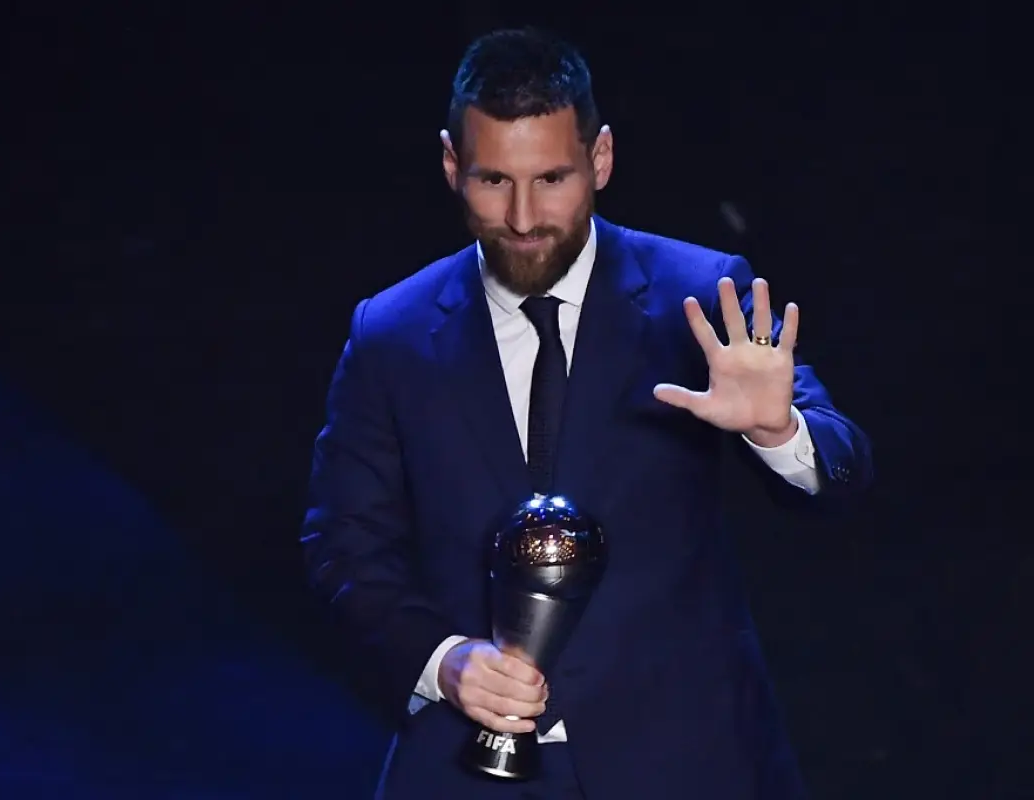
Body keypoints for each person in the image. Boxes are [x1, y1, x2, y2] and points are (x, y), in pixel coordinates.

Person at [300, 27, 872, 800]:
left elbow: (842, 472)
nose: (526, 216)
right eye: (493, 181)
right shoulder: (390, 335)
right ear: (450, 165)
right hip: (469, 768)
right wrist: (445, 663)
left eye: (553, 178)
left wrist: (779, 431)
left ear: (600, 159)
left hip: (687, 764)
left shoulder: (699, 296)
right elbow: (343, 550)